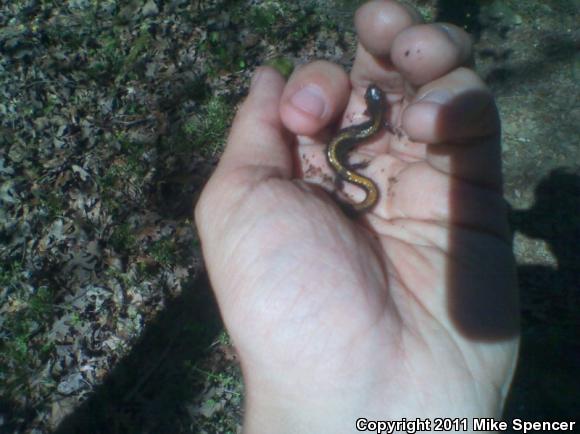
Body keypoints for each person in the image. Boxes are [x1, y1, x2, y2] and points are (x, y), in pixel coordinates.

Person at [195, 0, 520, 432]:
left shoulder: (373, 121)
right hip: (347, 159)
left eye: (373, 103)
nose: (374, 105)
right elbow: (367, 125)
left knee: (349, 146)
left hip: (350, 160)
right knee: (347, 149)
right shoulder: (375, 119)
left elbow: (366, 127)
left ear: (372, 103)